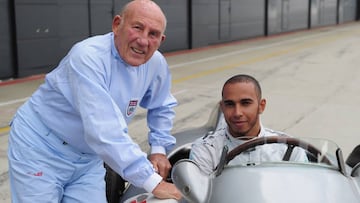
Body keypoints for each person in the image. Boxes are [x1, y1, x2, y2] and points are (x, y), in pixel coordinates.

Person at [7, 0, 182, 202]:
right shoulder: (88, 57)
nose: (143, 41)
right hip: (40, 148)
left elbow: (162, 105)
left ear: (162, 39)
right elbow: (104, 131)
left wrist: (159, 149)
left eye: (153, 34)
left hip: (88, 158)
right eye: (137, 27)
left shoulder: (155, 63)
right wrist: (153, 182)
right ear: (117, 25)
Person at [190, 74, 308, 175]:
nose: (237, 113)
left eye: (245, 103)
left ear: (261, 106)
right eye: (230, 104)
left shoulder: (289, 149)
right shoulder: (205, 150)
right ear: (222, 107)